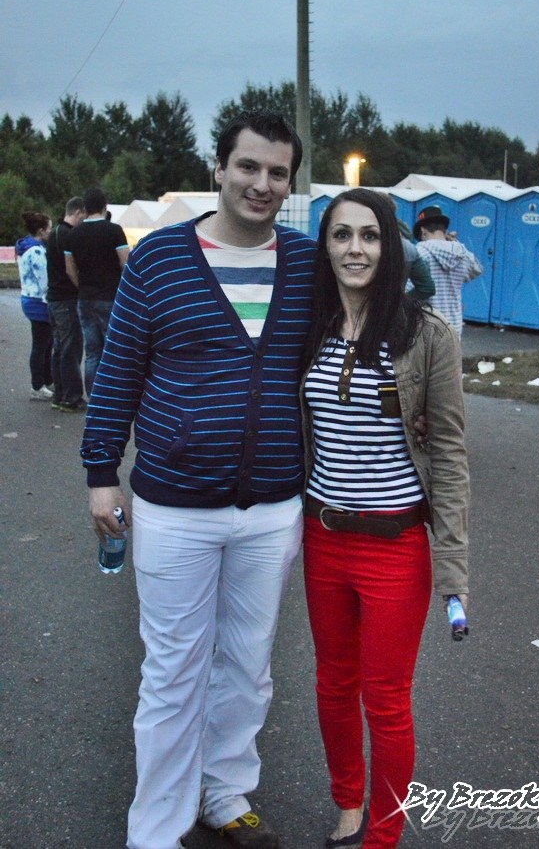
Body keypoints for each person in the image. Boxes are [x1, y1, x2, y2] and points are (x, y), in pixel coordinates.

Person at [80, 112, 316, 849]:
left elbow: (369, 325)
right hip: (175, 506)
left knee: (248, 667)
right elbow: (119, 369)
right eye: (248, 166)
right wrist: (100, 472)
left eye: (277, 172)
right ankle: (156, 826)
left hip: (273, 506)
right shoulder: (160, 258)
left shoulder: (307, 262)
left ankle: (224, 792)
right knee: (174, 672)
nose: (262, 184)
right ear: (219, 168)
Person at [301, 188, 470, 848]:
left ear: (390, 247)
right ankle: (348, 802)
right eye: (341, 235)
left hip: (395, 545)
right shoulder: (306, 324)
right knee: (332, 684)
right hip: (323, 536)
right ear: (325, 246)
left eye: (369, 236)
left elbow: (449, 455)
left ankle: (383, 832)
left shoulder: (426, 335)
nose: (355, 249)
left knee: (387, 699)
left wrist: (453, 567)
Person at [64, 187, 129, 395]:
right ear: (104, 206)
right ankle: (112, 396)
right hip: (110, 297)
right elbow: (126, 264)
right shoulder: (114, 230)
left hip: (84, 298)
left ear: (85, 208)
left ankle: (93, 397)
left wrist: (81, 286)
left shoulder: (73, 234)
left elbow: (69, 268)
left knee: (92, 352)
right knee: (113, 351)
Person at [413, 205, 482, 337]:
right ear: (444, 230)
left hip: (426, 328)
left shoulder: (419, 252)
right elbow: (477, 270)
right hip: (454, 327)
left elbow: (409, 291)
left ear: (422, 230)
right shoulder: (461, 252)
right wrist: (454, 243)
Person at [46, 196, 87, 411]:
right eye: (84, 216)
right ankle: (72, 397)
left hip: (54, 298)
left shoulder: (54, 233)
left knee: (60, 347)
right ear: (78, 212)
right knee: (71, 348)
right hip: (67, 298)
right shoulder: (69, 235)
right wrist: (81, 287)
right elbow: (71, 268)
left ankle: (59, 395)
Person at [15, 211, 54, 399]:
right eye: (49, 229)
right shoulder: (37, 251)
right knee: (41, 345)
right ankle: (38, 385)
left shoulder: (25, 248)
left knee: (44, 343)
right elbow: (44, 280)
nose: (51, 232)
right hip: (39, 301)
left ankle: (45, 380)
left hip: (29, 298)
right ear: (41, 231)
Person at [395, 215, 435, 302]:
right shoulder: (410, 248)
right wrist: (400, 302)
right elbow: (427, 288)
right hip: (393, 307)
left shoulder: (421, 250)